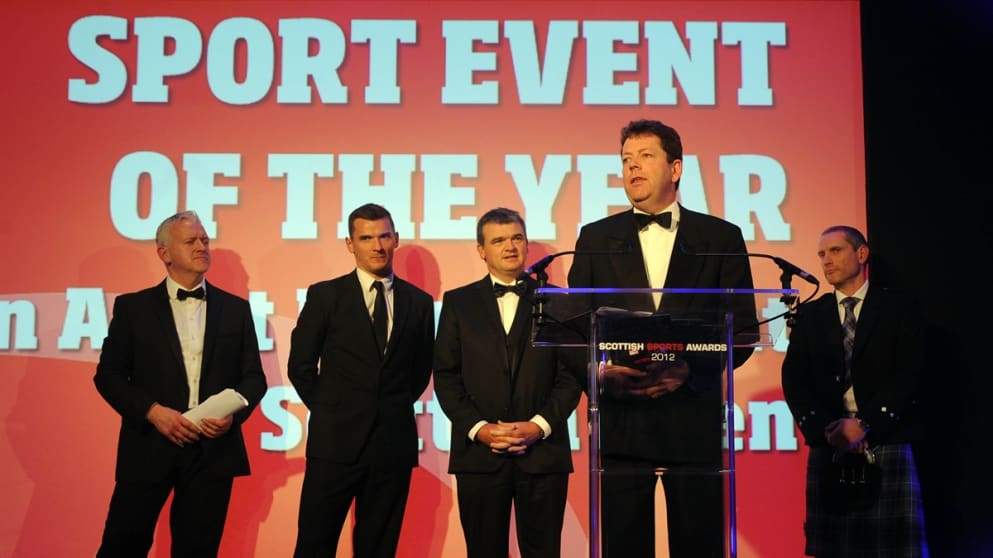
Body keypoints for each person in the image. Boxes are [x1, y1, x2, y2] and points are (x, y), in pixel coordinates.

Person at [567, 119, 757, 557]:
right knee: (623, 545)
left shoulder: (720, 238)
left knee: (699, 543)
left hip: (693, 415)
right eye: (626, 160)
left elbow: (743, 330)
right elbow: (574, 331)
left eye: (645, 157)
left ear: (675, 168)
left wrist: (689, 369)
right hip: (621, 416)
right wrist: (599, 374)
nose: (632, 167)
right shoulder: (595, 238)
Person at [93, 210, 268, 557]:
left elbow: (254, 379)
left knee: (198, 550)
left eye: (205, 239)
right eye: (191, 241)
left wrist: (232, 417)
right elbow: (109, 376)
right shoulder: (133, 308)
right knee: (122, 545)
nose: (202, 246)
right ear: (164, 253)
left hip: (211, 451)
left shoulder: (236, 310)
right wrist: (153, 412)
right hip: (148, 446)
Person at [433, 208, 583, 558]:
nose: (510, 247)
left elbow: (571, 375)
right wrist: (480, 429)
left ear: (527, 244)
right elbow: (446, 375)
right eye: (498, 240)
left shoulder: (558, 301)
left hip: (543, 454)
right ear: (481, 250)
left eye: (516, 238)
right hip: (479, 456)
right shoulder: (458, 302)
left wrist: (538, 426)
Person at [288, 203, 435, 557]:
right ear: (350, 243)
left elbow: (419, 371)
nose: (377, 246)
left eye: (384, 236)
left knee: (379, 547)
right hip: (334, 445)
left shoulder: (419, 301)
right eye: (366, 238)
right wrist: (331, 410)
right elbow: (301, 365)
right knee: (314, 543)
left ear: (396, 238)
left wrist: (388, 409)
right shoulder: (326, 295)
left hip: (392, 447)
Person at [781, 225, 928, 557]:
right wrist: (825, 428)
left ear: (861, 254)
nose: (826, 261)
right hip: (830, 443)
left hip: (886, 438)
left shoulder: (899, 308)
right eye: (821, 254)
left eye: (835, 251)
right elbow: (794, 378)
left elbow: (910, 373)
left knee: (893, 548)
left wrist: (866, 424)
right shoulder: (810, 314)